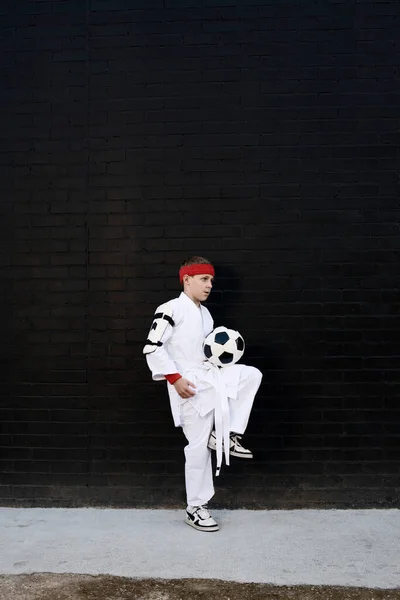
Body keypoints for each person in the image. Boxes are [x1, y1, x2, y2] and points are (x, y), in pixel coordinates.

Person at [143, 256, 262, 532]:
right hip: (188, 386)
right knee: (197, 448)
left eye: (211, 280)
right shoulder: (171, 308)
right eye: (204, 279)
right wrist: (174, 379)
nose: (210, 286)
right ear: (187, 279)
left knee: (251, 374)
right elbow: (151, 346)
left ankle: (228, 434)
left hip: (210, 377)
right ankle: (196, 507)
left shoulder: (205, 314)